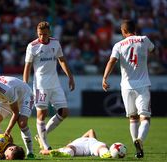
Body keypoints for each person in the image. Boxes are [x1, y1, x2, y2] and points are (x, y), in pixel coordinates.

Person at [102, 19, 154, 158]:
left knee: (133, 118)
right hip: (142, 84)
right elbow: (153, 50)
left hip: (126, 86)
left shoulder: (118, 45)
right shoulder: (144, 39)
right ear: (134, 29)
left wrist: (104, 78)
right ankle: (140, 140)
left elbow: (111, 61)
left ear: (123, 31)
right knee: (145, 118)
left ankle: (137, 148)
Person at [23, 21, 75, 150]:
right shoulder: (32, 46)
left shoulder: (55, 43)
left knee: (64, 112)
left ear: (49, 33)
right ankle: (46, 146)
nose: (42, 37)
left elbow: (61, 60)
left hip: (55, 83)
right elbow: (27, 67)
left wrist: (70, 76)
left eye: (45, 34)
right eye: (40, 34)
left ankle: (41, 135)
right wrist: (25, 84)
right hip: (40, 85)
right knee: (42, 114)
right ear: (37, 33)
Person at [39, 129, 111, 158]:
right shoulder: (73, 143)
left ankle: (106, 154)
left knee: (101, 147)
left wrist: (82, 138)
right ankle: (65, 153)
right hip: (87, 146)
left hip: (92, 143)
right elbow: (91, 131)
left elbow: (91, 131)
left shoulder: (78, 140)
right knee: (101, 146)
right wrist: (47, 152)